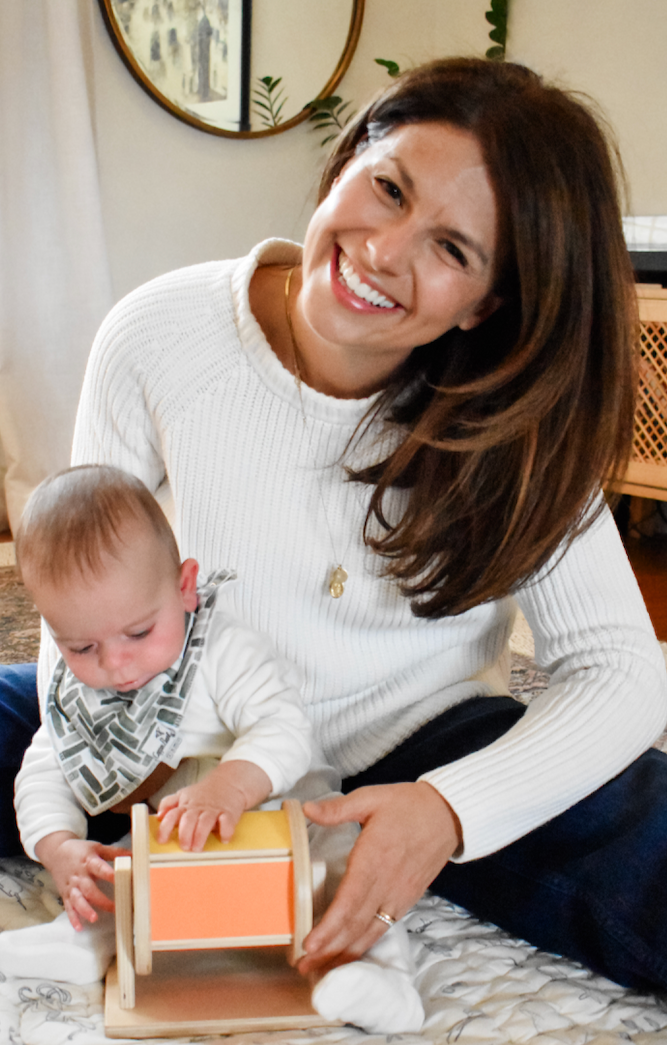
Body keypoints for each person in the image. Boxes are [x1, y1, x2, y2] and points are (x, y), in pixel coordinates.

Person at [0, 57, 666, 995]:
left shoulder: (512, 417)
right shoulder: (156, 332)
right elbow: (88, 573)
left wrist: (446, 809)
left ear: (488, 302)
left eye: (452, 249)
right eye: (387, 187)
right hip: (183, 708)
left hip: (416, 741)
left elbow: (623, 672)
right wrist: (118, 765)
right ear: (349, 157)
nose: (386, 250)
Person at [1, 465, 424, 1034]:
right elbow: (44, 768)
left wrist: (230, 786)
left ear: (184, 588)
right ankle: (83, 943)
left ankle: (384, 977)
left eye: (139, 633)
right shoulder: (81, 694)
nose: (115, 665)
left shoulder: (222, 650)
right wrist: (59, 848)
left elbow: (284, 725)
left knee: (349, 869)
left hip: (283, 814)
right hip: (178, 837)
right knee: (120, 874)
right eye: (81, 646)